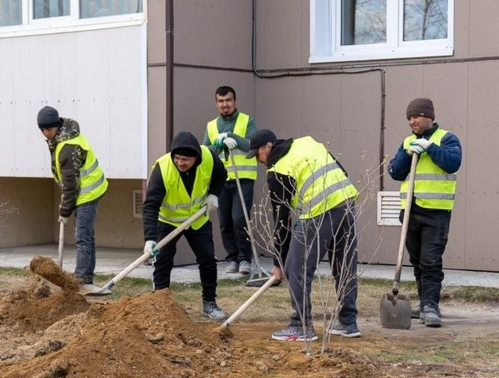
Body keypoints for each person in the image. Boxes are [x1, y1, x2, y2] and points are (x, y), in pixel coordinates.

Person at [246, 129, 361, 341]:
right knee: (344, 264)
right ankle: (348, 322)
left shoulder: (278, 169)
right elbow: (341, 171)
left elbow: (281, 220)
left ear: (269, 147)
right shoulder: (307, 143)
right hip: (345, 201)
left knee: (296, 268)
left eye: (257, 154)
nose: (258, 160)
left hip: (319, 210)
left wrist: (279, 262)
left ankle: (301, 324)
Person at [387, 98, 462, 328]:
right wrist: (406, 154)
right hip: (410, 210)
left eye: (416, 117)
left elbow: (453, 163)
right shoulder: (407, 141)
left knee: (430, 260)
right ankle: (424, 302)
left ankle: (431, 306)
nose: (412, 121)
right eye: (409, 118)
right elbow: (395, 173)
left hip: (436, 213)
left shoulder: (447, 139)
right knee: (417, 260)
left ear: (429, 116)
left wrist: (430, 148)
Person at [143, 131, 228, 321]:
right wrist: (150, 238)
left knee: (207, 259)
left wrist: (214, 194)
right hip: (168, 221)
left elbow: (221, 175)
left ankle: (209, 303)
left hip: (197, 219)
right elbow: (150, 206)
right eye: (177, 158)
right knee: (163, 261)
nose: (180, 163)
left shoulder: (208, 158)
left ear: (196, 158)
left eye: (186, 160)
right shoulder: (162, 169)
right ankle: (160, 304)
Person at [37, 106, 108, 285]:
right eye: (42, 130)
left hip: (88, 192)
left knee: (82, 235)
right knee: (87, 235)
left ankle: (81, 279)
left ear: (57, 126)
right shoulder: (63, 136)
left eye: (49, 129)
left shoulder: (68, 147)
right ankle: (87, 278)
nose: (46, 133)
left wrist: (64, 210)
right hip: (83, 189)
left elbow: (71, 185)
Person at [203, 86, 258, 276]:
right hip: (221, 181)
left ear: (235, 101)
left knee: (239, 219)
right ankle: (232, 259)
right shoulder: (211, 126)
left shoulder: (247, 121)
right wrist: (218, 143)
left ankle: (245, 259)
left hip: (243, 179)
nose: (224, 104)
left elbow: (252, 144)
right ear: (216, 103)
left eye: (228, 100)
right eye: (220, 101)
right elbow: (205, 153)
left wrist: (232, 136)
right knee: (225, 222)